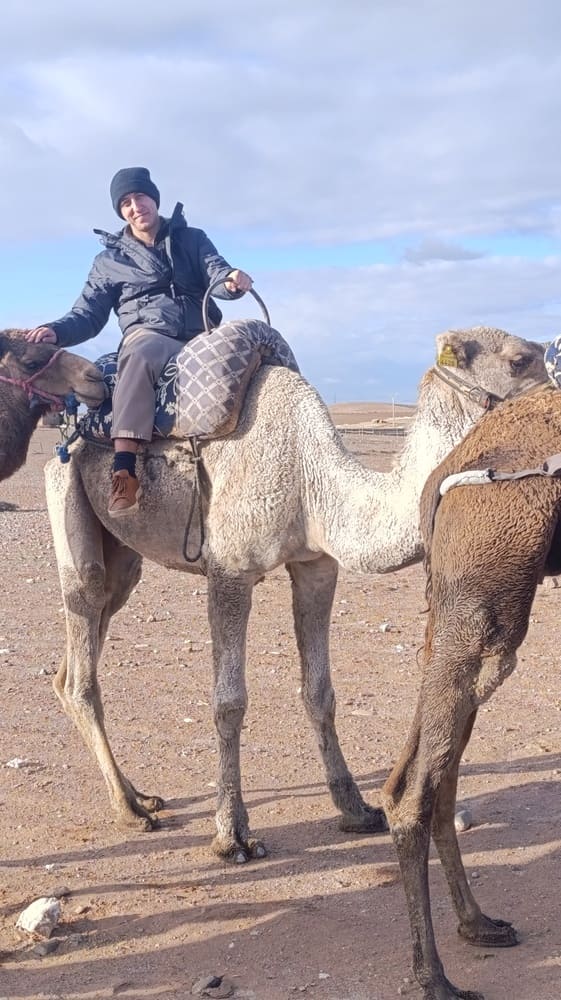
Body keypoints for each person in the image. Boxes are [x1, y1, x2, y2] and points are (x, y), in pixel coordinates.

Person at [26, 166, 253, 516]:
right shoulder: (109, 261)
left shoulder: (192, 239)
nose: (135, 207)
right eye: (126, 202)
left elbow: (217, 274)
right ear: (121, 211)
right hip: (150, 334)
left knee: (253, 346)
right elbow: (88, 313)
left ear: (154, 198)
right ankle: (124, 471)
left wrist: (232, 281)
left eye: (140, 197)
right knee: (140, 352)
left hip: (202, 334)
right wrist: (56, 331)